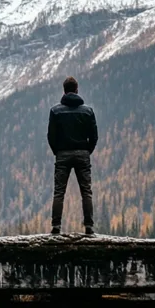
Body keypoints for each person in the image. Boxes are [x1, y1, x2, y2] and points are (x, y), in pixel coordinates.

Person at [47, 76, 98, 236]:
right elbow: (94, 136)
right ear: (77, 90)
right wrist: (87, 150)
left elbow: (51, 136)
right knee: (86, 191)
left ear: (64, 90)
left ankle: (56, 226)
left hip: (62, 154)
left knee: (59, 192)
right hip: (83, 154)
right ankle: (89, 227)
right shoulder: (88, 111)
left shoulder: (55, 111)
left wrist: (58, 151)